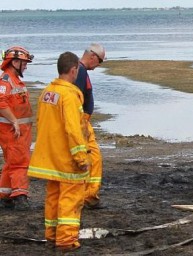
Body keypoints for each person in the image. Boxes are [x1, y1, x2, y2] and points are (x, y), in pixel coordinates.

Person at [27, 52, 89, 252]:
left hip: (51, 158)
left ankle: (52, 234)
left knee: (53, 196)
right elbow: (73, 129)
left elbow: (41, 123)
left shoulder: (47, 93)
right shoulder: (69, 96)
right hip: (66, 159)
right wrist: (81, 157)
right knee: (71, 199)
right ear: (73, 70)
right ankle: (66, 239)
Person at [0, 46, 34, 210]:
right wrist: (14, 121)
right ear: (14, 62)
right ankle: (20, 195)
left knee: (11, 163)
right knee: (20, 163)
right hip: (13, 132)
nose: (26, 66)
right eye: (24, 63)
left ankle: (5, 195)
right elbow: (1, 102)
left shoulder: (14, 80)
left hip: (19, 131)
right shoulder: (6, 80)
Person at [75, 43, 106, 210]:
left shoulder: (80, 71)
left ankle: (89, 196)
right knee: (93, 158)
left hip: (83, 121)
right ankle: (89, 197)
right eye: (99, 61)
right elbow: (75, 100)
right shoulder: (80, 72)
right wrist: (81, 125)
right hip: (81, 122)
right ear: (92, 56)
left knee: (92, 158)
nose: (99, 65)